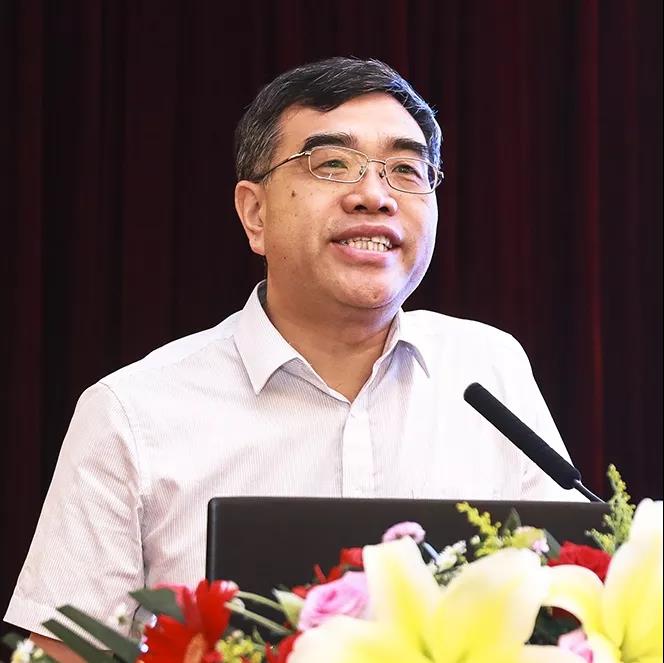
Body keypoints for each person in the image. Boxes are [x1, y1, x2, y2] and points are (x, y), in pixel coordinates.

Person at [5, 57, 582, 659]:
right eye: (331, 164)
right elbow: (65, 652)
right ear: (254, 213)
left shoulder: (489, 368)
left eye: (406, 170)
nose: (374, 196)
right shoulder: (131, 413)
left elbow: (573, 602)